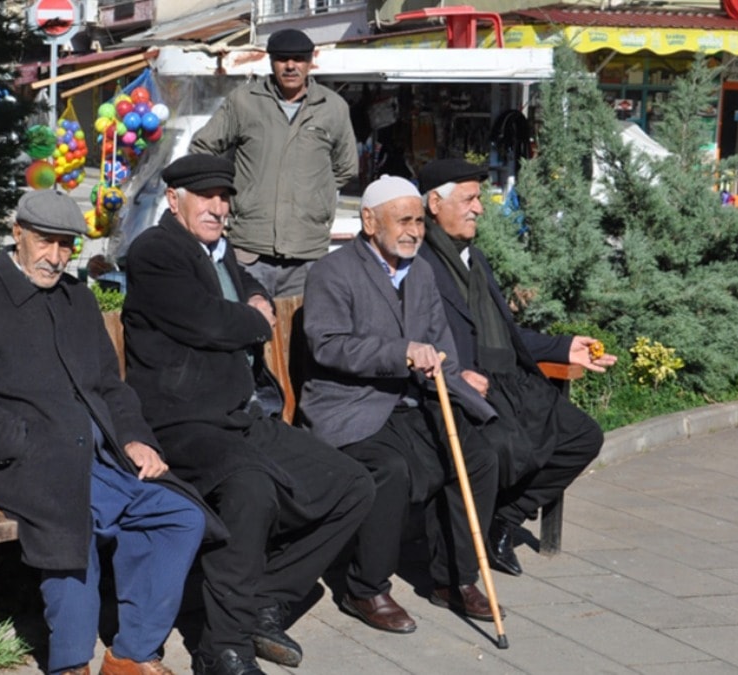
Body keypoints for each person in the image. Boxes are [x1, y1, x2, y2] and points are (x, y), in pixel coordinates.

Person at [0, 190, 220, 675]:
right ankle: (70, 664)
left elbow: (110, 385)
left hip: (103, 456)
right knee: (71, 522)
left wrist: (135, 438)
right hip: (29, 463)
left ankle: (131, 654)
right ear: (17, 233)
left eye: (67, 245)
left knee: (181, 516)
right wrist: (28, 445)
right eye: (46, 242)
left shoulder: (77, 299)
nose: (57, 257)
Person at [123, 155, 373, 675]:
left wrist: (255, 297)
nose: (218, 207)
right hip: (181, 423)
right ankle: (223, 647)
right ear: (175, 199)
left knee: (351, 484)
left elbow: (245, 292)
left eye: (224, 197)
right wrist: (255, 319)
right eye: (206, 197)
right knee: (250, 489)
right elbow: (208, 322)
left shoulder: (219, 252)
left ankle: (263, 601)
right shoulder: (156, 251)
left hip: (241, 416)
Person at [297, 175, 500, 635]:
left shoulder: (422, 272)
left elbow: (440, 344)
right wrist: (401, 352)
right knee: (390, 469)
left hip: (410, 400)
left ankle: (454, 578)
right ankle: (365, 588)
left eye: (419, 222)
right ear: (370, 221)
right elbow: (327, 346)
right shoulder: (333, 272)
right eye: (402, 220)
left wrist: (463, 392)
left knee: (479, 455)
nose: (413, 230)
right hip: (351, 405)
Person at [416, 158, 614, 577]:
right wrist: (455, 377)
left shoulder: (475, 258)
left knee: (583, 437)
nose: (479, 208)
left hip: (508, 377)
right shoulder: (418, 265)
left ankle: (504, 518)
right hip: (467, 385)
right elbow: (415, 338)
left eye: (479, 199)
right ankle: (468, 545)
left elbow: (504, 332)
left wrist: (563, 348)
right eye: (469, 198)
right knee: (507, 449)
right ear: (435, 202)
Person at [189, 28, 359, 298]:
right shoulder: (245, 101)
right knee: (247, 329)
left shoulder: (333, 107)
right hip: (250, 248)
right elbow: (202, 147)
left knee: (302, 333)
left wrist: (315, 195)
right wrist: (230, 193)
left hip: (307, 252)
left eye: (298, 59)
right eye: (282, 59)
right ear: (270, 61)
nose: (291, 66)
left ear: (310, 61)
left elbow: (346, 167)